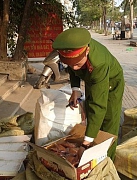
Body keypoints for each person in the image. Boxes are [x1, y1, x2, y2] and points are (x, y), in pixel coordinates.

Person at [52, 27, 124, 161]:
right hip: (92, 79)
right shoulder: (74, 53)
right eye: (70, 64)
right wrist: (75, 90)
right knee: (91, 111)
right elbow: (72, 69)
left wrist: (85, 143)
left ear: (87, 52)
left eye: (78, 64)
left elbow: (99, 105)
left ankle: (107, 162)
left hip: (111, 83)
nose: (74, 68)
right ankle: (92, 145)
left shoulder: (99, 64)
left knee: (108, 119)